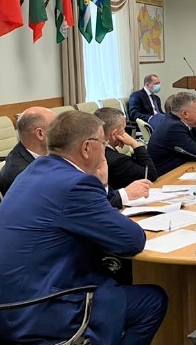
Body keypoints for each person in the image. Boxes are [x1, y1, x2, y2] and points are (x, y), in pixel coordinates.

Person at [0, 111, 167, 344]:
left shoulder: (32, 171)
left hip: (12, 303)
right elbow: (132, 241)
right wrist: (102, 183)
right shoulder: (76, 183)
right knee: (152, 300)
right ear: (87, 148)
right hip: (42, 309)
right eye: (104, 143)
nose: (106, 149)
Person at [147, 92, 196, 175]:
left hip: (183, 169)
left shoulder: (188, 123)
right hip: (167, 177)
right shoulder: (173, 128)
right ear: (185, 113)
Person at [94, 107, 156, 194]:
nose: (126, 133)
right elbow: (150, 174)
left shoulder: (93, 152)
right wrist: (135, 144)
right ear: (114, 134)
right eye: (123, 129)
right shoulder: (117, 161)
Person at [0, 107, 55, 195]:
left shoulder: (41, 151)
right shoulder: (22, 176)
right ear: (40, 134)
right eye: (56, 128)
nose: (62, 132)